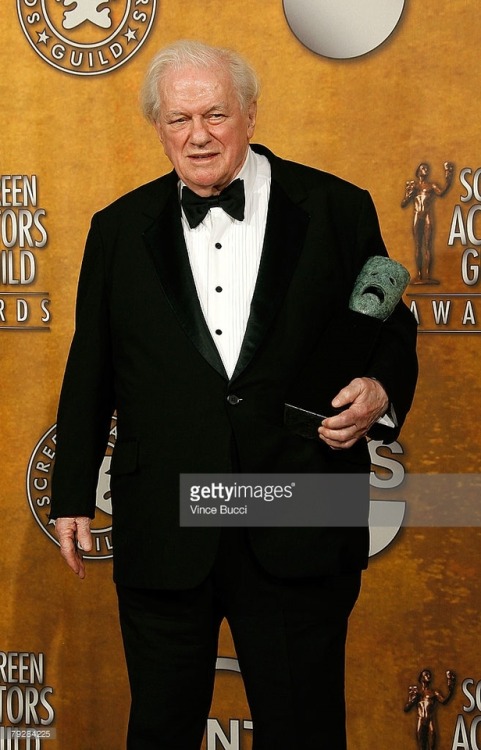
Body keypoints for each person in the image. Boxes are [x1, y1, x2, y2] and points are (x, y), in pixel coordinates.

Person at [50, 40, 418, 749]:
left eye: (215, 114)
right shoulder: (118, 229)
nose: (197, 134)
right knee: (159, 729)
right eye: (178, 118)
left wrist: (378, 392)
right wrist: (71, 493)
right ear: (157, 126)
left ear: (249, 113)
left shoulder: (337, 207)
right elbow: (91, 366)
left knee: (305, 729)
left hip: (302, 504)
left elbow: (386, 329)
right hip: (166, 513)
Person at [401, 161, 454, 284]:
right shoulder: (413, 186)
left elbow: (441, 192)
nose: (426, 169)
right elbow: (404, 203)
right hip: (417, 215)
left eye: (427, 168)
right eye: (423, 168)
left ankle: (428, 275)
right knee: (418, 246)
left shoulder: (431, 185)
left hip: (427, 216)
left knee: (428, 245)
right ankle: (419, 275)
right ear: (419, 171)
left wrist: (448, 179)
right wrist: (409, 195)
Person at [404, 669, 456, 749]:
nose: (429, 676)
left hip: (430, 720)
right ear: (421, 678)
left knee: (433, 741)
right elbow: (406, 708)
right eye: (426, 674)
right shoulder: (416, 692)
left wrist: (451, 691)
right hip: (420, 720)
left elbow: (444, 701)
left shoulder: (434, 692)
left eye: (429, 675)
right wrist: (414, 699)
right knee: (422, 746)